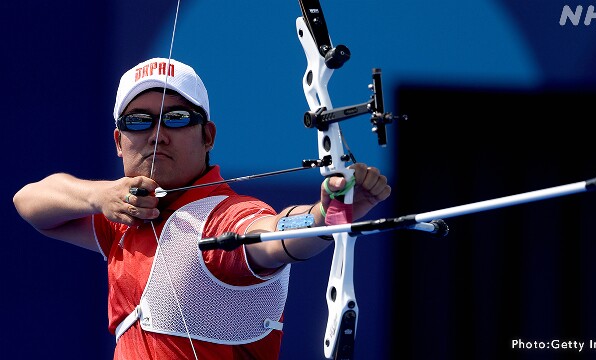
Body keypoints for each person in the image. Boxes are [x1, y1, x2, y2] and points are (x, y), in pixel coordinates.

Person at [13, 57, 391, 360]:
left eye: (176, 118)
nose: (156, 134)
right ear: (118, 140)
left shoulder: (222, 217)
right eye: (138, 121)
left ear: (207, 135)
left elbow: (274, 236)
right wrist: (102, 197)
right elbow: (29, 201)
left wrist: (326, 216)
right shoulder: (125, 215)